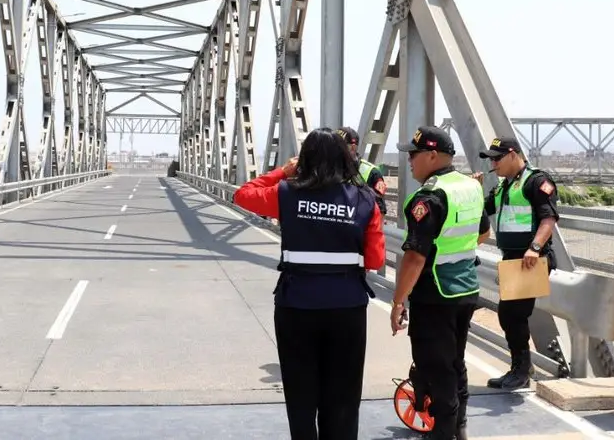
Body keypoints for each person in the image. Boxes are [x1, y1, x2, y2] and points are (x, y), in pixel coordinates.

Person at [233, 127, 386, 440]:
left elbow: (243, 194)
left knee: (301, 394)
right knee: (343, 396)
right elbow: (375, 260)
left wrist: (282, 172)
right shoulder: (365, 199)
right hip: (347, 308)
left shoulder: (287, 193)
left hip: (296, 306)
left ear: (304, 160)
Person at [390, 126, 491, 440]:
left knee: (437, 368)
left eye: (413, 154)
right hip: (466, 289)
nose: (409, 161)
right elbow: (483, 233)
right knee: (454, 361)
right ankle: (458, 427)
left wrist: (398, 301)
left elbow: (415, 257)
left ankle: (443, 433)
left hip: (434, 294)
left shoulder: (430, 196)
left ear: (432, 155)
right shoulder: (469, 186)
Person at [472, 136, 559, 391]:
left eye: (497, 158)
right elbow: (483, 211)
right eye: (491, 160)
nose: (493, 164)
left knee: (512, 314)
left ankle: (521, 371)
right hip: (513, 260)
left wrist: (534, 248)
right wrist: (476, 191)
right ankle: (521, 368)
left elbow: (549, 218)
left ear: (512, 154)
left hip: (530, 259)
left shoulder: (536, 181)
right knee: (511, 315)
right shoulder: (503, 187)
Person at [335, 127, 388, 215]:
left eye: (338, 147)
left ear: (352, 148)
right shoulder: (330, 169)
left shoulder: (372, 173)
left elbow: (380, 211)